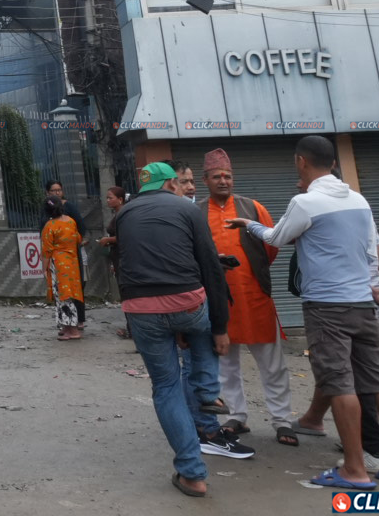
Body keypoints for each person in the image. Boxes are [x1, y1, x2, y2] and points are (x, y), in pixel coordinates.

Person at [226, 135, 379, 491]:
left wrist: (247, 224)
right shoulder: (359, 200)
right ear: (333, 162)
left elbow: (275, 237)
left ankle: (355, 470)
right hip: (364, 304)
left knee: (340, 383)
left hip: (327, 307)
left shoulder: (305, 202)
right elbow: (370, 253)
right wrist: (377, 289)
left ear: (301, 161)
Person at [116, 161, 250, 500]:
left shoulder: (123, 214)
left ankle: (192, 474)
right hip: (186, 302)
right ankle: (207, 391)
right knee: (201, 324)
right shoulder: (188, 210)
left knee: (166, 387)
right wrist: (221, 327)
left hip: (140, 308)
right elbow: (211, 269)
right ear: (171, 184)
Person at [294, 243, 379, 474]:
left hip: (346, 311)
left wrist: (252, 227)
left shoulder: (328, 229)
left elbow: (278, 237)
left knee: (355, 383)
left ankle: (372, 451)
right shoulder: (367, 227)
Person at [200, 149, 295, 445]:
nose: (223, 181)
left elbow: (271, 245)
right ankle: (236, 416)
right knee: (226, 364)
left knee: (272, 364)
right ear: (205, 180)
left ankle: (282, 420)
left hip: (255, 297)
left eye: (227, 176)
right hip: (218, 301)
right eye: (217, 176)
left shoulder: (253, 208)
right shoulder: (197, 212)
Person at [41, 197, 84, 340]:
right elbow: (78, 238)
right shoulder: (71, 221)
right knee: (69, 295)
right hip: (72, 263)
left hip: (58, 264)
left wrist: (44, 268)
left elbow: (46, 250)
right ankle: (67, 327)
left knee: (63, 297)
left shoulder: (50, 226)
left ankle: (73, 331)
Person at [98, 185, 129, 339]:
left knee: (127, 294)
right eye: (107, 198)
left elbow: (125, 236)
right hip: (117, 257)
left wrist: (108, 240)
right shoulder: (118, 214)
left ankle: (133, 328)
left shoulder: (123, 214)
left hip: (123, 257)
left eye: (110, 198)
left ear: (120, 199)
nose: (108, 200)